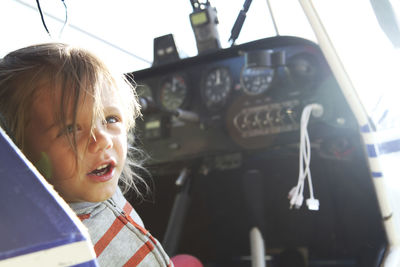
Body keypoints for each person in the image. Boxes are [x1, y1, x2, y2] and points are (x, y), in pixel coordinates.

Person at [0, 43, 172, 266]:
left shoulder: (89, 182)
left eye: (110, 119)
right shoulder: (52, 250)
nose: (102, 141)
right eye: (71, 129)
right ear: (18, 149)